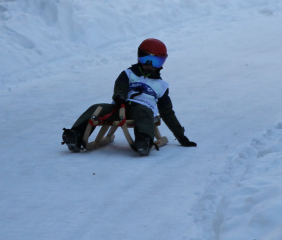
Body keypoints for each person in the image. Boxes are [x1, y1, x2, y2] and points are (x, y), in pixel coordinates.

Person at [62, 38, 196, 156]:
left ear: (161, 63)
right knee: (96, 108)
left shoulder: (161, 86)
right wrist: (119, 96)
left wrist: (180, 136)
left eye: (155, 61)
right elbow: (120, 85)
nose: (149, 64)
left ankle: (143, 140)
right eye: (145, 59)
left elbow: (167, 113)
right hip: (120, 106)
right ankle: (76, 134)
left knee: (142, 111)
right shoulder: (129, 73)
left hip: (144, 110)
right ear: (139, 57)